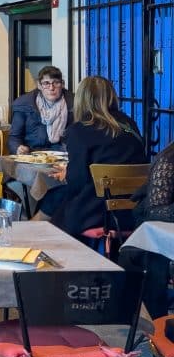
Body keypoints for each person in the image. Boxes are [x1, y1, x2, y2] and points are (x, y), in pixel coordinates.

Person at [39, 76, 147, 237]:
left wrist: (67, 175)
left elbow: (77, 183)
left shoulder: (79, 130)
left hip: (98, 214)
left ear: (81, 99)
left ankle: (33, 238)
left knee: (53, 200)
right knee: (55, 200)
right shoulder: (130, 124)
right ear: (111, 96)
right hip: (135, 211)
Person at [119, 141, 174, 317]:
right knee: (156, 252)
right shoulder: (168, 161)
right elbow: (156, 210)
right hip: (154, 229)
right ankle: (158, 324)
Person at [8, 66, 74, 154]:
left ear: (62, 84)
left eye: (56, 82)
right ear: (39, 85)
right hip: (32, 157)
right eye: (46, 83)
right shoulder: (24, 104)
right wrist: (18, 148)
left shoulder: (74, 103)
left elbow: (80, 135)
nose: (51, 88)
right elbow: (14, 138)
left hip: (64, 156)